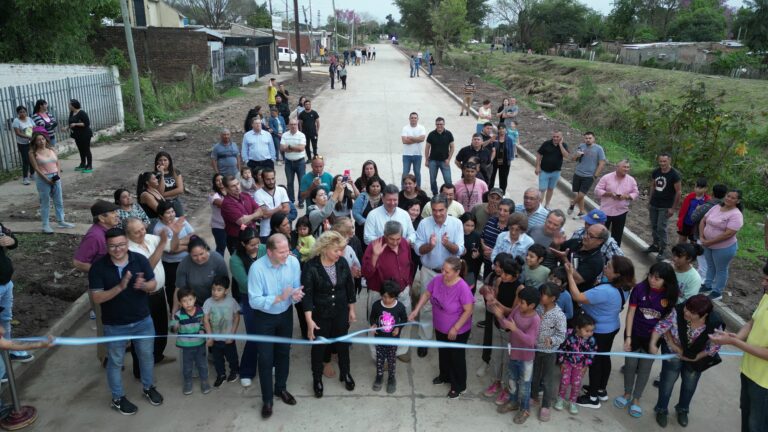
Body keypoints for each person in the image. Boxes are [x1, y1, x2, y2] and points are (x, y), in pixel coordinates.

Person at [88, 228, 163, 415]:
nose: (117, 249)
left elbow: (153, 283)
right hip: (114, 324)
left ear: (127, 243)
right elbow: (97, 298)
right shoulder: (98, 267)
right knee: (115, 362)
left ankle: (148, 387)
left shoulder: (140, 260)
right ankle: (118, 398)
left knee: (146, 356)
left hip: (143, 320)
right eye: (112, 246)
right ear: (107, 246)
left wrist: (144, 286)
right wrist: (120, 287)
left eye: (121, 244)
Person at [566, 257, 635, 409]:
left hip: (600, 330)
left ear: (617, 274)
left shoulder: (605, 290)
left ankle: (592, 398)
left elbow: (577, 296)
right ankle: (600, 389)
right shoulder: (624, 287)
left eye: (609, 266)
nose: (605, 267)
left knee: (595, 363)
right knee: (604, 358)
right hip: (611, 326)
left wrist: (570, 275)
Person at [248, 234, 304, 419]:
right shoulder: (257, 269)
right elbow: (254, 301)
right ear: (269, 252)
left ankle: (281, 388)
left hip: (286, 314)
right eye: (282, 252)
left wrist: (296, 295)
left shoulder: (293, 262)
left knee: (283, 352)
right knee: (265, 358)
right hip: (264, 318)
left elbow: (296, 287)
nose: (286, 254)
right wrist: (278, 298)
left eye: (288, 250)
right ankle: (267, 400)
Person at [709, 262, 768, 432]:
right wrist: (736, 336)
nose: (763, 283)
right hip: (749, 371)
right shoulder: (766, 297)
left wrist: (735, 343)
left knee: (758, 425)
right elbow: (752, 322)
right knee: (746, 414)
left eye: (767, 280)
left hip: (764, 384)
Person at [615, 262, 679, 419]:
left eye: (657, 278)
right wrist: (628, 337)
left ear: (666, 280)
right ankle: (627, 392)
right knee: (630, 365)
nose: (652, 280)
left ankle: (636, 398)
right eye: (651, 276)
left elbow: (668, 322)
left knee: (645, 368)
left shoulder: (671, 295)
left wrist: (659, 342)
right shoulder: (639, 289)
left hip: (654, 338)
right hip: (634, 333)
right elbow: (630, 313)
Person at [650, 294, 724, 428]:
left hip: (695, 356)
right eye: (686, 308)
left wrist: (697, 357)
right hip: (673, 351)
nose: (686, 312)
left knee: (690, 384)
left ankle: (683, 409)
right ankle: (661, 409)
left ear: (704, 315)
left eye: (692, 312)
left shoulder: (715, 323)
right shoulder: (677, 311)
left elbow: (714, 347)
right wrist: (666, 344)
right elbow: (662, 326)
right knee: (667, 381)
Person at [302, 231, 357, 397]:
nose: (340, 254)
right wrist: (309, 321)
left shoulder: (342, 263)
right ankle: (317, 377)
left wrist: (352, 309)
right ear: (324, 248)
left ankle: (345, 373)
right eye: (336, 250)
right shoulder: (311, 267)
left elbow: (349, 287)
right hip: (320, 314)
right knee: (319, 347)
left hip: (340, 311)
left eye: (341, 250)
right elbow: (308, 296)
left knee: (342, 344)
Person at [409, 256, 474, 399]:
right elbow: (427, 294)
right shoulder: (438, 279)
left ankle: (459, 386)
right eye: (442, 270)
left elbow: (468, 310)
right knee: (443, 352)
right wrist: (416, 310)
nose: (443, 273)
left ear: (457, 272)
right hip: (440, 325)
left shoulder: (462, 287)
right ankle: (444, 376)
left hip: (457, 330)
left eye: (447, 271)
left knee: (456, 357)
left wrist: (455, 328)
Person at [412, 195, 465, 358]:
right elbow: (417, 249)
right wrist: (430, 245)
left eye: (441, 210)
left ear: (447, 209)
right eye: (434, 210)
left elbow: (461, 250)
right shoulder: (424, 223)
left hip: (450, 275)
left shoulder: (456, 224)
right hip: (429, 271)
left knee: (449, 307)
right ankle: (425, 340)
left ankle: (445, 335)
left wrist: (448, 244)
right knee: (427, 306)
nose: (437, 214)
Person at [362, 221, 415, 362]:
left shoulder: (404, 243)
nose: (395, 242)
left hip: (402, 291)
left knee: (404, 321)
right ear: (385, 235)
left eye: (398, 239)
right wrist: (375, 256)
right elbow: (366, 273)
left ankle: (401, 350)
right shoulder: (374, 246)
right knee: (376, 325)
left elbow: (409, 264)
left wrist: (408, 284)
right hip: (380, 295)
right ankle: (379, 356)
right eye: (391, 239)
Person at [488, 286, 541, 424]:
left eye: (522, 302)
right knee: (512, 380)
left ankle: (525, 409)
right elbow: (506, 325)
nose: (519, 304)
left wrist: (515, 329)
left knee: (525, 385)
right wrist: (499, 316)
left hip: (526, 359)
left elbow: (530, 341)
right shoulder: (517, 310)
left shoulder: (535, 319)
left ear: (532, 305)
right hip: (513, 355)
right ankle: (513, 402)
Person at [125, 218, 174, 370]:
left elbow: (172, 246)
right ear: (128, 234)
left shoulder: (149, 238)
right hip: (142, 297)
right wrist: (161, 245)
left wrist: (176, 234)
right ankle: (139, 370)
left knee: (161, 327)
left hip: (159, 293)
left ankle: (157, 356)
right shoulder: (128, 250)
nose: (142, 233)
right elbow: (148, 268)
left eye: (142, 229)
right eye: (137, 232)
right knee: (142, 335)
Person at [480, 254, 522, 401]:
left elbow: (512, 310)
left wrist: (496, 305)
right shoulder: (499, 280)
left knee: (508, 359)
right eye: (502, 272)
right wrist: (491, 298)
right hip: (497, 323)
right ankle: (496, 382)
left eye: (506, 274)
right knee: (497, 357)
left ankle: (507, 388)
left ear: (515, 275)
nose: (502, 276)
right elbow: (495, 299)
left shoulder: (519, 288)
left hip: (510, 329)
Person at [229, 228, 266, 387]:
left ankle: (269, 363)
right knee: (254, 334)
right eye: (252, 245)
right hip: (250, 298)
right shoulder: (235, 259)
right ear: (243, 244)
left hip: (268, 295)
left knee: (269, 331)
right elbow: (245, 283)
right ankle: (247, 370)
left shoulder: (264, 249)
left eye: (258, 243)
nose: (256, 247)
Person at [0, 222, 36, 368]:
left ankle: (7, 352)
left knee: (5, 321)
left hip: (5, 283)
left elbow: (11, 239)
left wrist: (11, 240)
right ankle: (2, 370)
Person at [531, 282, 567, 421]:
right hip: (535, 348)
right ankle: (533, 397)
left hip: (549, 352)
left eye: (543, 294)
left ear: (553, 298)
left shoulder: (559, 315)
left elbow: (561, 335)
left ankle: (546, 405)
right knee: (534, 375)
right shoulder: (538, 308)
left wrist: (551, 340)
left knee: (547, 380)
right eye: (540, 293)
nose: (540, 296)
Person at [699, 189, 743, 301]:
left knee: (721, 269)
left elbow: (728, 234)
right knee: (710, 265)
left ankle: (717, 292)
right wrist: (702, 236)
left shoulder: (736, 214)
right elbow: (703, 220)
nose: (729, 199)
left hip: (724, 248)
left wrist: (709, 242)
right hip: (707, 243)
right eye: (728, 196)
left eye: (733, 198)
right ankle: (707, 285)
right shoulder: (716, 207)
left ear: (738, 201)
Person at [28, 132, 76, 233]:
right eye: (38, 140)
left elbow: (57, 163)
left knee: (59, 201)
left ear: (46, 140)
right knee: (45, 202)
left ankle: (61, 221)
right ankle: (45, 225)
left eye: (43, 139)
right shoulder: (32, 153)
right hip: (43, 179)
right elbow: (36, 168)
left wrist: (57, 176)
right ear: (35, 142)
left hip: (55, 177)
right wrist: (46, 180)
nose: (41, 141)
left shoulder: (52, 149)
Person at [153, 201, 194, 310]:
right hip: (171, 264)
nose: (172, 214)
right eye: (168, 213)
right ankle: (175, 313)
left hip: (188, 260)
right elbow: (170, 250)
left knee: (190, 286)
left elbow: (192, 236)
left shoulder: (180, 221)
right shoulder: (159, 229)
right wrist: (185, 246)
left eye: (172, 211)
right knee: (173, 289)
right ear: (161, 215)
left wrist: (176, 244)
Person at [369, 280, 408, 393]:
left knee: (391, 360)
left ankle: (391, 378)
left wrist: (398, 328)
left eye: (390, 297)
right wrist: (373, 324)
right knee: (380, 360)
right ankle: (379, 377)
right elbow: (372, 317)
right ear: (381, 295)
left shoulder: (399, 307)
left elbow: (404, 319)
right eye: (384, 296)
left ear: (395, 297)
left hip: (393, 340)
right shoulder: (377, 305)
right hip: (379, 339)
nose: (387, 300)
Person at [555, 313, 597, 416]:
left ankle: (572, 402)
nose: (589, 333)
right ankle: (560, 398)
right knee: (564, 382)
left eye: (592, 331)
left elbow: (592, 354)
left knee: (576, 384)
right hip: (567, 363)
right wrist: (561, 362)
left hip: (580, 366)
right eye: (587, 330)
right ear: (578, 328)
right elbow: (561, 348)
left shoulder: (591, 340)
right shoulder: (568, 335)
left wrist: (585, 366)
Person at [202, 275, 240, 388]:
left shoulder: (231, 302)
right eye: (213, 289)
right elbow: (206, 319)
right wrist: (210, 336)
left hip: (228, 339)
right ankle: (221, 375)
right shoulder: (208, 302)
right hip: (215, 339)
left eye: (219, 290)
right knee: (217, 359)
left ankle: (234, 371)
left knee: (232, 357)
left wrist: (232, 335)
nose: (215, 292)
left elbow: (237, 317)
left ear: (226, 290)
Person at [171, 288, 211, 395]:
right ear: (180, 303)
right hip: (186, 346)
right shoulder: (178, 315)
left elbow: (205, 324)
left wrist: (205, 333)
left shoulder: (201, 312)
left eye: (190, 299)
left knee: (202, 364)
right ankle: (188, 382)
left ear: (195, 299)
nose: (188, 303)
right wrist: (174, 326)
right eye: (184, 301)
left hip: (200, 345)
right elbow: (172, 328)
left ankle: (204, 381)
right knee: (187, 366)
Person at [173, 236, 229, 313]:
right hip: (194, 305)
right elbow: (179, 288)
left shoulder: (217, 260)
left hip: (216, 303)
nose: (199, 258)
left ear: (206, 249)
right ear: (189, 254)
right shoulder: (184, 264)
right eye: (194, 256)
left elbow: (225, 284)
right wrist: (174, 310)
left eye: (201, 254)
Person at [645, 153, 682, 260]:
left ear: (669, 160)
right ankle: (655, 245)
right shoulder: (656, 172)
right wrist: (649, 200)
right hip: (654, 203)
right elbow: (653, 185)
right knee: (654, 225)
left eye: (664, 161)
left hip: (666, 205)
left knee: (662, 227)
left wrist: (673, 208)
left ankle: (663, 249)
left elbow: (678, 192)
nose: (662, 163)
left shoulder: (674, 175)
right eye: (660, 161)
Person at [557, 222, 612, 292]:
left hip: (570, 295)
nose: (585, 236)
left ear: (600, 241)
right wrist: (556, 244)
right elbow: (558, 251)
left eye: (591, 236)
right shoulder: (576, 242)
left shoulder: (597, 261)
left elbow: (576, 280)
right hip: (556, 283)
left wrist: (564, 259)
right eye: (586, 232)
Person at [595, 159, 639, 246]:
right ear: (617, 167)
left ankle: (614, 255)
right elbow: (597, 190)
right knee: (601, 235)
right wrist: (609, 194)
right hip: (605, 211)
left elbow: (636, 192)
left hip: (621, 211)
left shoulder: (631, 180)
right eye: (624, 167)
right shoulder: (607, 177)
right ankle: (598, 251)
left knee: (617, 237)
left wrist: (627, 196)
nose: (626, 169)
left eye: (628, 167)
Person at [568, 132, 606, 219]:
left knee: (582, 194)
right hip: (578, 173)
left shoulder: (599, 149)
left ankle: (573, 203)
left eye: (590, 138)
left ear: (594, 138)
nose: (588, 140)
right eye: (586, 138)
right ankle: (581, 212)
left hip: (589, 176)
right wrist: (576, 155)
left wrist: (595, 176)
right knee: (578, 193)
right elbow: (573, 159)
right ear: (584, 139)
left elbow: (602, 163)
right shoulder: (581, 146)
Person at [220, 175, 262, 253]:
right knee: (241, 263)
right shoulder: (227, 203)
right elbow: (242, 221)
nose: (237, 187)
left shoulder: (246, 195)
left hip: (252, 235)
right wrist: (254, 216)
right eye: (233, 186)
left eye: (238, 184)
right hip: (237, 240)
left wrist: (248, 217)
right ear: (226, 189)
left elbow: (260, 211)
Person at [535, 131, 570, 209]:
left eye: (557, 137)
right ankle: (539, 206)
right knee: (542, 189)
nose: (555, 138)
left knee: (551, 189)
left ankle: (547, 205)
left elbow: (566, 156)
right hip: (544, 171)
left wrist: (560, 145)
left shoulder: (564, 145)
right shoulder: (546, 143)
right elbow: (539, 154)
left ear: (561, 137)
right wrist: (537, 166)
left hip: (556, 172)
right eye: (554, 136)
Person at [254, 168, 290, 242]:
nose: (271, 182)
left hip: (282, 230)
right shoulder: (258, 194)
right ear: (262, 179)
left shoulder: (281, 190)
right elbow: (264, 215)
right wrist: (278, 208)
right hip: (266, 232)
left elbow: (286, 210)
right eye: (268, 179)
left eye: (273, 178)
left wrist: (270, 212)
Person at [280, 118, 307, 208]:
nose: (293, 126)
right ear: (288, 125)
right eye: (291, 124)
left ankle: (301, 201)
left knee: (302, 182)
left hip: (300, 162)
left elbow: (301, 149)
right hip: (288, 163)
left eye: (295, 124)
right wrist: (295, 148)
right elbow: (282, 148)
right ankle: (291, 201)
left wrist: (289, 147)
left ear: (297, 125)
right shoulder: (284, 135)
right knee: (290, 182)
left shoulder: (301, 135)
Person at [424, 117, 455, 196]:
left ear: (444, 124)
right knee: (432, 180)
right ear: (435, 124)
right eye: (438, 124)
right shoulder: (431, 134)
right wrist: (427, 160)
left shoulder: (449, 134)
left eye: (441, 124)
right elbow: (427, 148)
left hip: (444, 161)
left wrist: (449, 159)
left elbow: (452, 147)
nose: (439, 126)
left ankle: (447, 195)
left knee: (448, 180)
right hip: (433, 161)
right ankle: (435, 194)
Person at [677, 178, 710, 245]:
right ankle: (680, 252)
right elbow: (683, 209)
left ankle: (691, 254)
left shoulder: (707, 200)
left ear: (706, 188)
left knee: (694, 241)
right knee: (682, 238)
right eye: (696, 187)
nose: (697, 189)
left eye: (700, 188)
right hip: (686, 221)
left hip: (697, 225)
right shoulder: (690, 196)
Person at [352, 176, 384, 243]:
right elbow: (355, 213)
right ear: (368, 187)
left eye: (377, 186)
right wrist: (367, 223)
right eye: (373, 186)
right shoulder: (362, 197)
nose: (375, 188)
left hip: (380, 230)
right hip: (362, 229)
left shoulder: (384, 197)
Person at [154, 151, 185, 217]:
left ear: (169, 161)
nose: (163, 163)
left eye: (165, 160)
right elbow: (159, 191)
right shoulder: (154, 175)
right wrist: (161, 174)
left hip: (175, 201)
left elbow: (180, 189)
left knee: (180, 221)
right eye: (160, 160)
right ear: (157, 162)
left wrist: (163, 195)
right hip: (163, 203)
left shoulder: (175, 172)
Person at [67, 99, 93, 172]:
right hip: (77, 135)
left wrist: (76, 124)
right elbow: (71, 123)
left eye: (70, 104)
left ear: (73, 105)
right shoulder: (72, 112)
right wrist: (67, 127)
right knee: (81, 149)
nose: (68, 106)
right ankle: (83, 163)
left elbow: (86, 123)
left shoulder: (82, 113)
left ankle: (89, 165)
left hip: (85, 134)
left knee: (86, 149)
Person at [402, 112, 427, 188]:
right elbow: (404, 141)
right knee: (405, 173)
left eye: (415, 118)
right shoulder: (405, 128)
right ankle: (403, 189)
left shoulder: (421, 128)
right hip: (407, 155)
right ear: (409, 119)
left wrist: (411, 137)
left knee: (417, 173)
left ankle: (418, 189)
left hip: (418, 155)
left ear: (417, 119)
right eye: (412, 118)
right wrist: (417, 139)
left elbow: (422, 139)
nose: (413, 119)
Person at [490, 124, 516, 192]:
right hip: (494, 161)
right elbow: (491, 149)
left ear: (505, 129)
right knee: (491, 177)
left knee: (503, 179)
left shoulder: (509, 139)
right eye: (500, 129)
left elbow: (511, 150)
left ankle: (502, 193)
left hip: (505, 162)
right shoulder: (495, 138)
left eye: (503, 128)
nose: (501, 130)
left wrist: (509, 160)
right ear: (498, 130)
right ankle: (489, 192)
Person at [460, 213, 483, 291]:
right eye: (467, 225)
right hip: (458, 268)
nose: (469, 228)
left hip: (471, 269)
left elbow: (480, 251)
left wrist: (477, 255)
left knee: (468, 291)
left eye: (472, 226)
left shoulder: (476, 236)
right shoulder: (458, 234)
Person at [12, 105, 35, 185]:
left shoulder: (29, 119)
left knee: (33, 158)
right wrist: (28, 136)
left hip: (31, 142)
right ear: (18, 113)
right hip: (22, 144)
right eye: (20, 112)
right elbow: (17, 133)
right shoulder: (16, 121)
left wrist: (33, 136)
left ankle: (32, 174)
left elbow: (34, 127)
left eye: (24, 111)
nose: (22, 113)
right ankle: (25, 178)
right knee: (26, 160)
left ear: (26, 112)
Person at [208, 174, 228, 256]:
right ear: (214, 183)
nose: (220, 182)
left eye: (222, 179)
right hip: (219, 226)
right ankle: (218, 267)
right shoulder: (213, 194)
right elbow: (221, 204)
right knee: (221, 248)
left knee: (234, 247)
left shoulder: (230, 191)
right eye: (217, 180)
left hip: (231, 225)